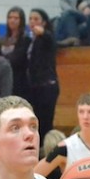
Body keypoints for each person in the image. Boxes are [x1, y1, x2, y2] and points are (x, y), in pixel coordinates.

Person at [26, 8, 60, 141]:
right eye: (31, 19)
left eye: (36, 19)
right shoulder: (32, 39)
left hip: (47, 86)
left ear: (44, 22)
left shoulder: (46, 37)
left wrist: (44, 33)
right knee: (36, 122)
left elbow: (52, 41)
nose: (33, 22)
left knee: (45, 123)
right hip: (35, 86)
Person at [0, 7, 31, 99]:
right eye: (10, 17)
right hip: (3, 80)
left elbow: (17, 59)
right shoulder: (2, 39)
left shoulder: (25, 39)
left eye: (16, 18)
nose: (12, 20)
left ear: (21, 20)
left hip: (19, 81)